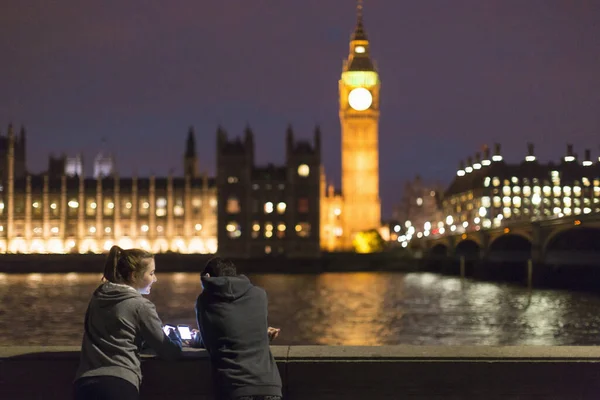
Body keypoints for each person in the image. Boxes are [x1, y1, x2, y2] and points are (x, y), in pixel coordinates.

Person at [73, 245, 183, 400]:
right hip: (118, 384)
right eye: (151, 273)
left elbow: (116, 334)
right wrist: (176, 339)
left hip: (84, 383)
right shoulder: (140, 305)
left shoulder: (98, 298)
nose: (155, 279)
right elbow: (168, 351)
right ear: (133, 276)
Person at [194, 257, 282, 400]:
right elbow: (247, 327)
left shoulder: (204, 300)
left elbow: (210, 342)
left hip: (234, 386)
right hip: (269, 385)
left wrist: (195, 338)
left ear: (207, 277)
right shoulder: (259, 294)